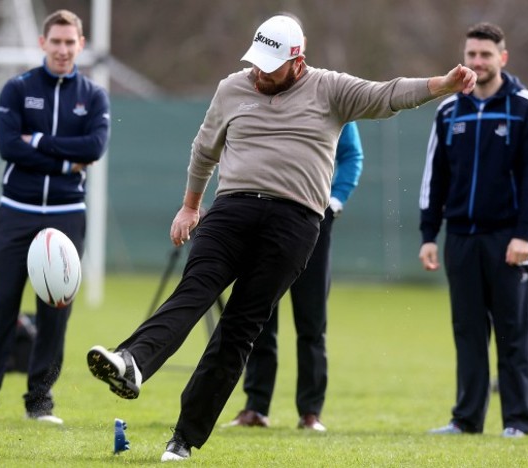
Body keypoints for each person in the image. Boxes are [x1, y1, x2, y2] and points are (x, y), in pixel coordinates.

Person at [87, 14, 475, 462]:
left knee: (239, 328)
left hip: (295, 222)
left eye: (269, 66)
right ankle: (132, 362)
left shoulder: (330, 88)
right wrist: (191, 205)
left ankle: (183, 439)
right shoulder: (233, 87)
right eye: (256, 62)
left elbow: (387, 93)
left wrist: (442, 84)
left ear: (297, 61)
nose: (259, 73)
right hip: (231, 210)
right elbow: (204, 148)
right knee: (194, 290)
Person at [0, 9, 110, 424]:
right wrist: (63, 159)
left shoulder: (93, 96)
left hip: (66, 215)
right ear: (43, 43)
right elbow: (9, 146)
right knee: (0, 304)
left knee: (55, 310)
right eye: (55, 42)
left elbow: (93, 148)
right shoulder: (18, 88)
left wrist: (38, 140)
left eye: (69, 42)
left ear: (81, 45)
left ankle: (40, 401)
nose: (62, 49)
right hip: (16, 212)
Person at [418, 22, 528, 438]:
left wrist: (524, 234)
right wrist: (428, 235)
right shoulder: (447, 110)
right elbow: (433, 178)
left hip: (508, 239)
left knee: (514, 334)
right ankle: (466, 419)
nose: (477, 62)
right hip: (460, 239)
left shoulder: (527, 107)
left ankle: (518, 422)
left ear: (502, 59)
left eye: (485, 55)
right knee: (468, 333)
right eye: (471, 54)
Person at [227, 121, 363, 432]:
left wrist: (336, 200)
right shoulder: (263, 100)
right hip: (262, 220)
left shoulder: (330, 99)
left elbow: (352, 155)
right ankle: (255, 407)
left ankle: (310, 413)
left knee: (312, 320)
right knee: (258, 317)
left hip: (313, 218)